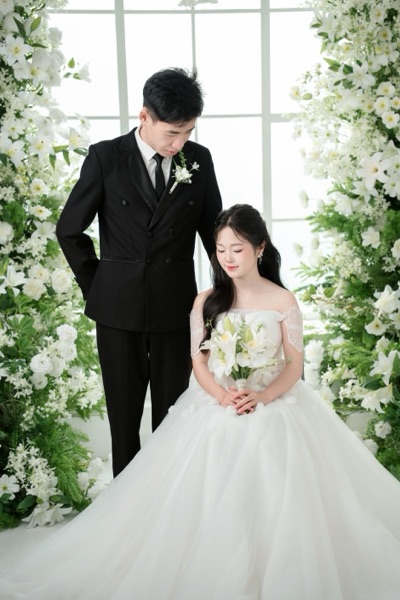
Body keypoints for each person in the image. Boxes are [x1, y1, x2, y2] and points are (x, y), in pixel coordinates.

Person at [2, 203, 400, 599]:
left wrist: (261, 396)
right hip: (218, 399)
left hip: (273, 397)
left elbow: (294, 366)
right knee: (215, 443)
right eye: (220, 249)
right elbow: (199, 362)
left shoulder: (283, 302)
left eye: (237, 249)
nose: (228, 258)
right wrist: (224, 395)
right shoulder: (206, 301)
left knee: (270, 446)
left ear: (260, 247)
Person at [56, 67, 222, 476]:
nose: (179, 144)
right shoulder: (105, 157)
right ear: (144, 116)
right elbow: (69, 230)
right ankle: (125, 507)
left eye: (188, 132)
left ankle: (169, 503)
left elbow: (214, 234)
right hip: (117, 311)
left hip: (176, 309)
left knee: (173, 418)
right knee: (124, 420)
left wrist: (228, 296)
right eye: (172, 133)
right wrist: (98, 286)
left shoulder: (199, 160)